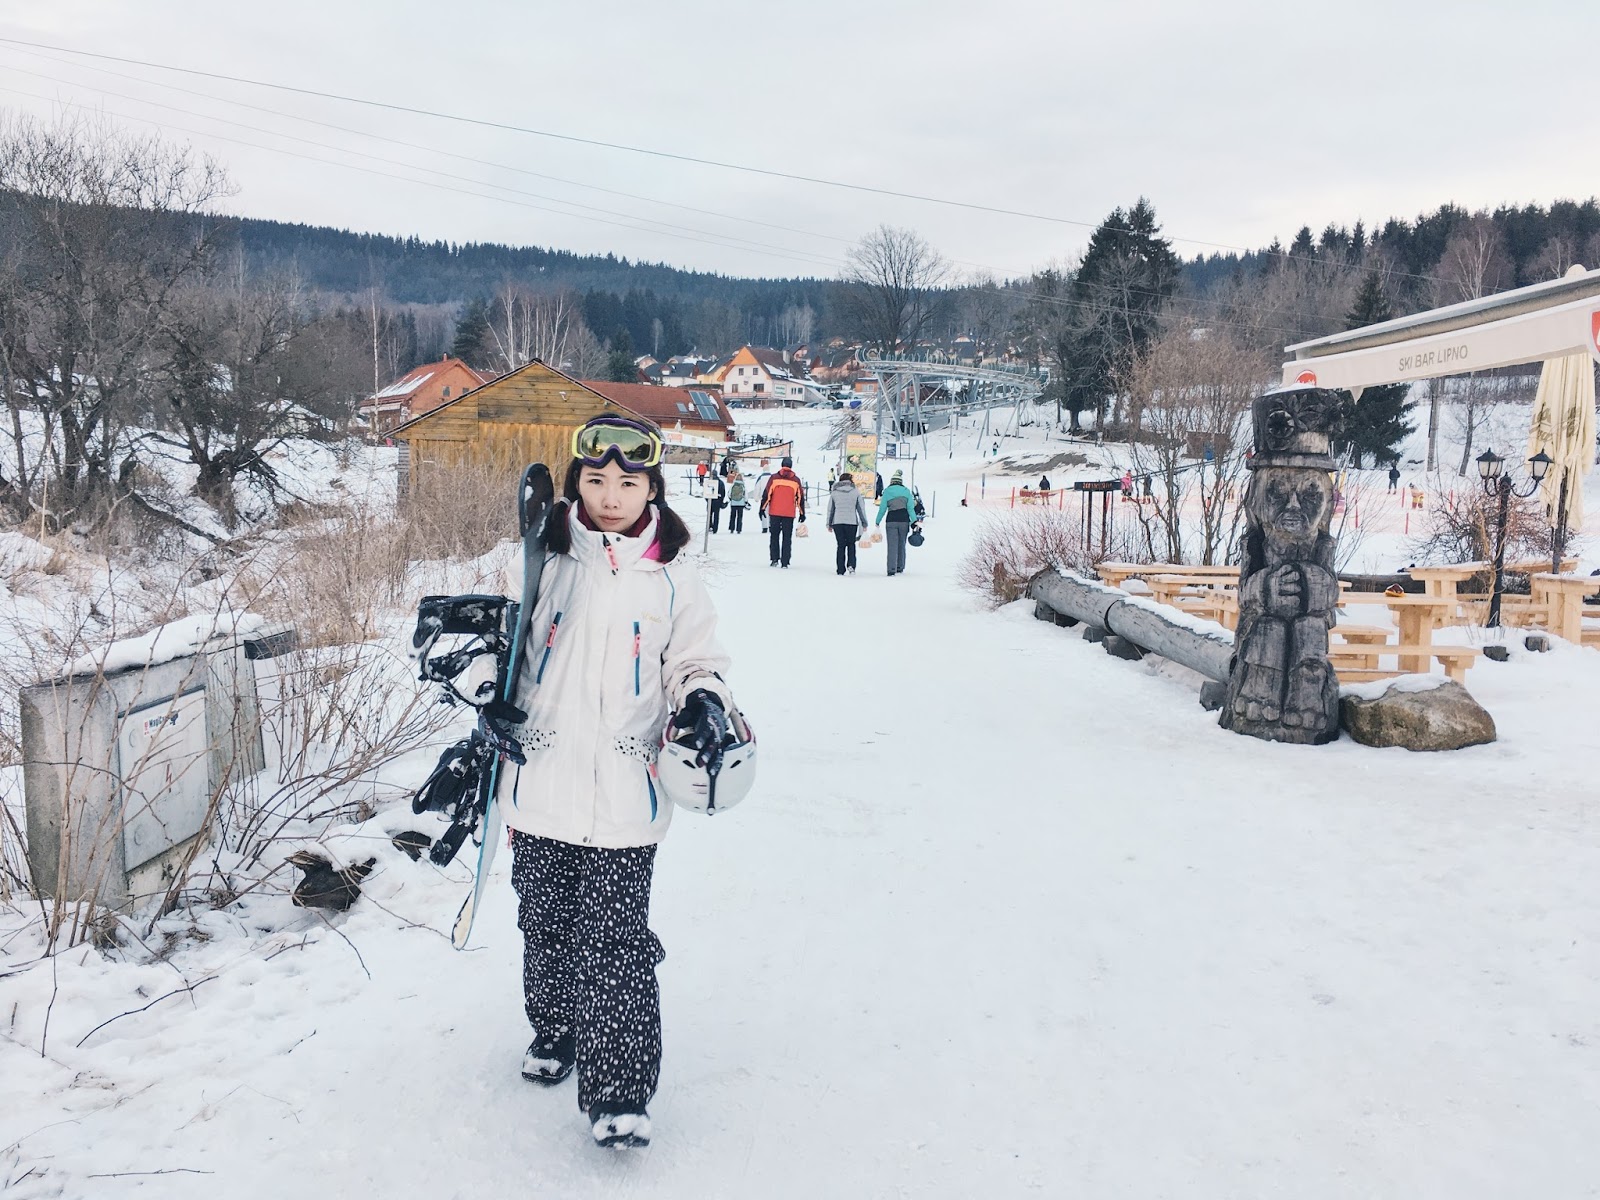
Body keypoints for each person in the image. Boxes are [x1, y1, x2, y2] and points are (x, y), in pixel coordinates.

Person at [471, 413, 739, 1151]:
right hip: (541, 783)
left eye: (627, 482)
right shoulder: (542, 560)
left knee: (613, 941)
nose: (611, 495)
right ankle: (556, 1029)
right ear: (575, 483)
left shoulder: (672, 574)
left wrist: (705, 704)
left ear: (652, 487)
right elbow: (498, 648)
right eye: (596, 480)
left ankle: (619, 1091)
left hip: (627, 793)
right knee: (547, 924)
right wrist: (487, 701)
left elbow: (695, 661)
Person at [760, 456, 805, 568]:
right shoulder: (796, 480)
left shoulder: (774, 478)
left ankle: (774, 559)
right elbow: (800, 498)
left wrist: (762, 508)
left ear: (781, 465)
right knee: (787, 537)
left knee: (774, 536)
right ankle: (785, 561)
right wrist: (802, 513)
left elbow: (767, 495)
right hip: (789, 513)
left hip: (774, 512)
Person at [875, 469, 917, 576]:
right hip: (904, 521)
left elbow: (882, 509)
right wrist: (914, 521)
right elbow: (911, 509)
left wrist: (877, 521)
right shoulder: (906, 491)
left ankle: (891, 569)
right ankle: (900, 566)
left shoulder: (887, 491)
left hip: (891, 521)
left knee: (892, 545)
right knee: (902, 543)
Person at [826, 471, 868, 576]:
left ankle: (840, 569)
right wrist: (864, 522)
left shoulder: (834, 492)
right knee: (851, 544)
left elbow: (830, 509)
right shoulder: (855, 492)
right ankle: (851, 565)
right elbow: (860, 509)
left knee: (840, 545)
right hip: (851, 522)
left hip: (838, 522)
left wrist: (829, 523)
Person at [753, 459, 774, 534]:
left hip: (763, 498)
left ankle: (764, 527)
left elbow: (757, 488)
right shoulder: (773, 477)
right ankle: (771, 525)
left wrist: (756, 497)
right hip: (772, 498)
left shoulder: (761, 478)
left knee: (764, 512)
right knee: (771, 512)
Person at [726, 469, 748, 533]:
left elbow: (729, 494)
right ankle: (738, 529)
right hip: (741, 503)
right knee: (739, 517)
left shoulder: (733, 485)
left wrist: (731, 499)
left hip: (733, 503)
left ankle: (732, 528)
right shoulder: (743, 486)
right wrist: (745, 501)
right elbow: (745, 494)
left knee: (732, 516)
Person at [705, 470, 726, 534]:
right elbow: (723, 492)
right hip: (717, 501)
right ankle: (715, 529)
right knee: (716, 516)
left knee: (709, 515)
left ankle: (709, 526)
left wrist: (707, 500)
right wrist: (721, 500)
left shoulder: (709, 482)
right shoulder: (721, 482)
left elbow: (706, 492)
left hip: (710, 500)